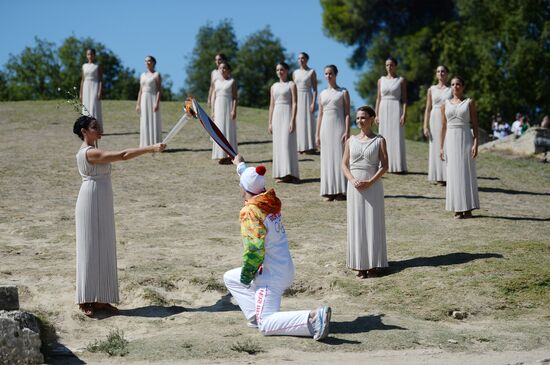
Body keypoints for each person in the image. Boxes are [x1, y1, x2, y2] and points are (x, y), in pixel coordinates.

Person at [223, 154, 331, 340]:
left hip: (270, 275)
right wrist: (240, 165)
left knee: (266, 326)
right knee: (231, 278)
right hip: (283, 266)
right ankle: (256, 315)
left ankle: (313, 317)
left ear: (244, 187)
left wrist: (248, 274)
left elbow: (254, 250)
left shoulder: (250, 211)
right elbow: (252, 177)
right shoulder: (268, 201)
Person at [73, 115, 165, 316]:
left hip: (102, 197)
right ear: (84, 131)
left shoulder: (94, 150)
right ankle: (86, 299)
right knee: (89, 247)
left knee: (104, 246)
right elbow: (123, 155)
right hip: (90, 199)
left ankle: (102, 299)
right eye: (94, 127)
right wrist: (150, 148)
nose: (99, 129)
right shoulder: (89, 153)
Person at [342, 106, 388, 279]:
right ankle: (359, 264)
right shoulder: (350, 140)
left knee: (372, 223)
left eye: (363, 117)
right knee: (357, 223)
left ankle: (373, 265)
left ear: (372, 118)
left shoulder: (379, 140)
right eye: (358, 118)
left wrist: (371, 181)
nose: (360, 121)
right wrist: (352, 180)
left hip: (373, 187)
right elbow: (344, 164)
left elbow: (385, 165)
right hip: (354, 188)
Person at [440, 77, 480, 219]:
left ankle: (468, 208)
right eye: (452, 84)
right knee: (453, 174)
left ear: (462, 86)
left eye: (458, 84)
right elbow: (443, 127)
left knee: (466, 172)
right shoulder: (445, 104)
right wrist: (441, 147)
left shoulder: (469, 103)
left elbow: (475, 125)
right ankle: (457, 208)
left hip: (465, 139)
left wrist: (476, 143)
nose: (455, 86)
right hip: (450, 140)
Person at [316, 65, 350, 201]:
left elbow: (347, 114)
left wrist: (346, 131)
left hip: (338, 128)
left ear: (335, 75)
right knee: (327, 159)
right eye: (326, 74)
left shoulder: (343, 92)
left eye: (330, 73)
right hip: (325, 129)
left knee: (339, 157)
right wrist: (317, 134)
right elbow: (320, 115)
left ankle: (341, 190)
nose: (328, 76)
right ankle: (329, 190)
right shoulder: (322, 93)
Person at [268, 62, 300, 183]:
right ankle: (280, 173)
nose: (279, 72)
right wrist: (270, 122)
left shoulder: (291, 85)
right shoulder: (274, 86)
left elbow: (295, 103)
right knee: (278, 145)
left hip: (287, 114)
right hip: (277, 115)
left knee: (287, 144)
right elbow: (271, 105)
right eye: (277, 70)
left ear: (286, 71)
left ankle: (290, 173)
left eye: (282, 70)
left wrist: (293, 120)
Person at [375, 57, 408, 173]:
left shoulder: (401, 80)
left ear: (395, 66)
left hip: (395, 107)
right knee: (383, 136)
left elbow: (404, 99)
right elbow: (378, 98)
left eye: (391, 65)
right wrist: (376, 114)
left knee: (396, 136)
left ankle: (397, 165)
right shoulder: (381, 80)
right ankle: (383, 163)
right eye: (387, 65)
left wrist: (404, 114)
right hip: (383, 108)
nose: (389, 67)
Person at [423, 65, 452, 185]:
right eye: (438, 71)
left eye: (443, 71)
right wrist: (425, 126)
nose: (441, 73)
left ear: (447, 74)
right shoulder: (431, 89)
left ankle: (447, 174)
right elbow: (428, 108)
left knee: (446, 145)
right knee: (435, 146)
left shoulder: (451, 89)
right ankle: (437, 175)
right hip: (434, 118)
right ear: (436, 74)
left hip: (446, 118)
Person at [212, 61, 238, 164]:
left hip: (228, 107)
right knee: (219, 129)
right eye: (220, 68)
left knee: (228, 129)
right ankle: (220, 154)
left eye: (224, 68)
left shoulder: (232, 82)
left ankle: (229, 155)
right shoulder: (216, 82)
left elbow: (235, 97)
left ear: (228, 70)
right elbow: (214, 97)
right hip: (218, 106)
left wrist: (234, 109)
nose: (222, 70)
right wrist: (213, 111)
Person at [293, 52, 318, 154]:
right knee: (298, 122)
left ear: (307, 59)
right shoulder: (295, 73)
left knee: (308, 121)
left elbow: (315, 89)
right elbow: (293, 88)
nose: (301, 60)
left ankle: (309, 146)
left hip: (307, 97)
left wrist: (313, 103)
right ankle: (299, 146)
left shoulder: (311, 72)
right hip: (297, 98)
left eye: (303, 58)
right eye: (299, 58)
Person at [136, 55, 162, 147]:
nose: (147, 63)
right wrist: (138, 104)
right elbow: (140, 90)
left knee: (153, 120)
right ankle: (145, 144)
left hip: (153, 98)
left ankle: (155, 143)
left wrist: (157, 103)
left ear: (154, 63)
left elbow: (159, 90)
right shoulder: (142, 75)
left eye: (149, 61)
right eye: (146, 61)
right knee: (144, 120)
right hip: (144, 98)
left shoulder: (157, 75)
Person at [80, 48, 103, 128]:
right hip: (86, 87)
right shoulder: (84, 66)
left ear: (94, 55)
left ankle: (95, 127)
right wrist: (81, 93)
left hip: (94, 87)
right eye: (88, 54)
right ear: (86, 55)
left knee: (94, 106)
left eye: (91, 54)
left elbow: (100, 80)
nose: (90, 56)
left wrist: (100, 91)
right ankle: (87, 126)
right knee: (86, 106)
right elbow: (82, 80)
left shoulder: (97, 66)